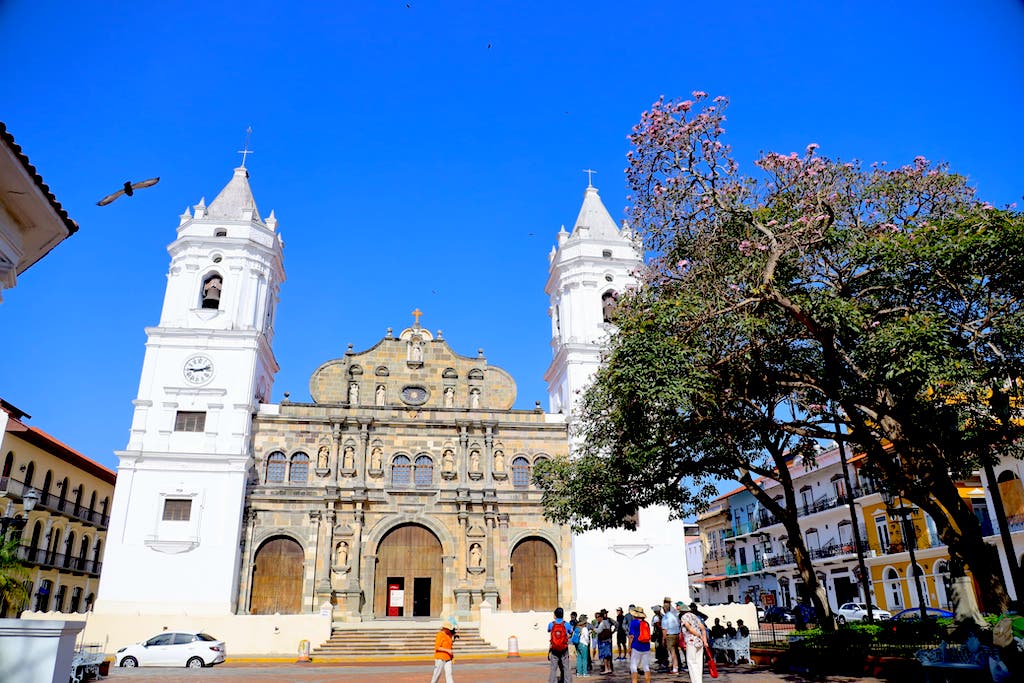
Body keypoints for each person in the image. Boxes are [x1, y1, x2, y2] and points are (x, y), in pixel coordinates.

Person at [680, 604, 710, 683]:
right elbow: (703, 628)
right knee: (699, 662)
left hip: (691, 641)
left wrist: (697, 635)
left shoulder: (684, 617)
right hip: (700, 642)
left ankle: (695, 681)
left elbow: (689, 628)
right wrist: (704, 640)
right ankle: (699, 680)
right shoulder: (695, 616)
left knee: (691, 662)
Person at [627, 605, 652, 683]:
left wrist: (629, 647)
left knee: (633, 666)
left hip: (636, 646)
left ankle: (634, 681)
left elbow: (631, 636)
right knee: (646, 666)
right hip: (646, 647)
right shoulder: (646, 623)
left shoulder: (633, 623)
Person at [549, 607, 573, 683]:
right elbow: (571, 632)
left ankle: (553, 681)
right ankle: (567, 681)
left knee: (553, 668)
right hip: (564, 648)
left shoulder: (551, 624)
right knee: (566, 667)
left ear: (555, 615)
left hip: (554, 648)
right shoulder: (567, 624)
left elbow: (548, 630)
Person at [429, 616, 457, 683]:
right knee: (437, 674)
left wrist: (452, 657)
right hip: (440, 657)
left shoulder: (449, 634)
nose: (449, 630)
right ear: (444, 628)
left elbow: (450, 646)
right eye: (448, 629)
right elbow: (437, 647)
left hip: (448, 658)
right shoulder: (440, 635)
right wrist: (447, 651)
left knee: (449, 673)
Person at [661, 597, 681, 674]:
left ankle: (675, 668)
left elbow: (664, 630)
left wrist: (663, 639)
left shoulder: (665, 617)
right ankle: (676, 665)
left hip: (670, 636)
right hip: (676, 634)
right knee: (675, 651)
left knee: (672, 653)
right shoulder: (674, 615)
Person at [595, 609, 615, 674]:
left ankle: (606, 669)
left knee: (605, 656)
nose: (597, 618)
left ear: (601, 617)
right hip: (608, 640)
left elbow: (598, 631)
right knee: (608, 656)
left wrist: (593, 628)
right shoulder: (607, 621)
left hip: (604, 641)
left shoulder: (602, 623)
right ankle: (609, 668)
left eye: (597, 617)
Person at [651, 605, 667, 671]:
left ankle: (661, 662)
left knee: (659, 648)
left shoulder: (656, 617)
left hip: (658, 634)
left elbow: (657, 625)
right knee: (663, 647)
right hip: (663, 633)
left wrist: (661, 629)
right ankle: (664, 660)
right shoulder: (663, 616)